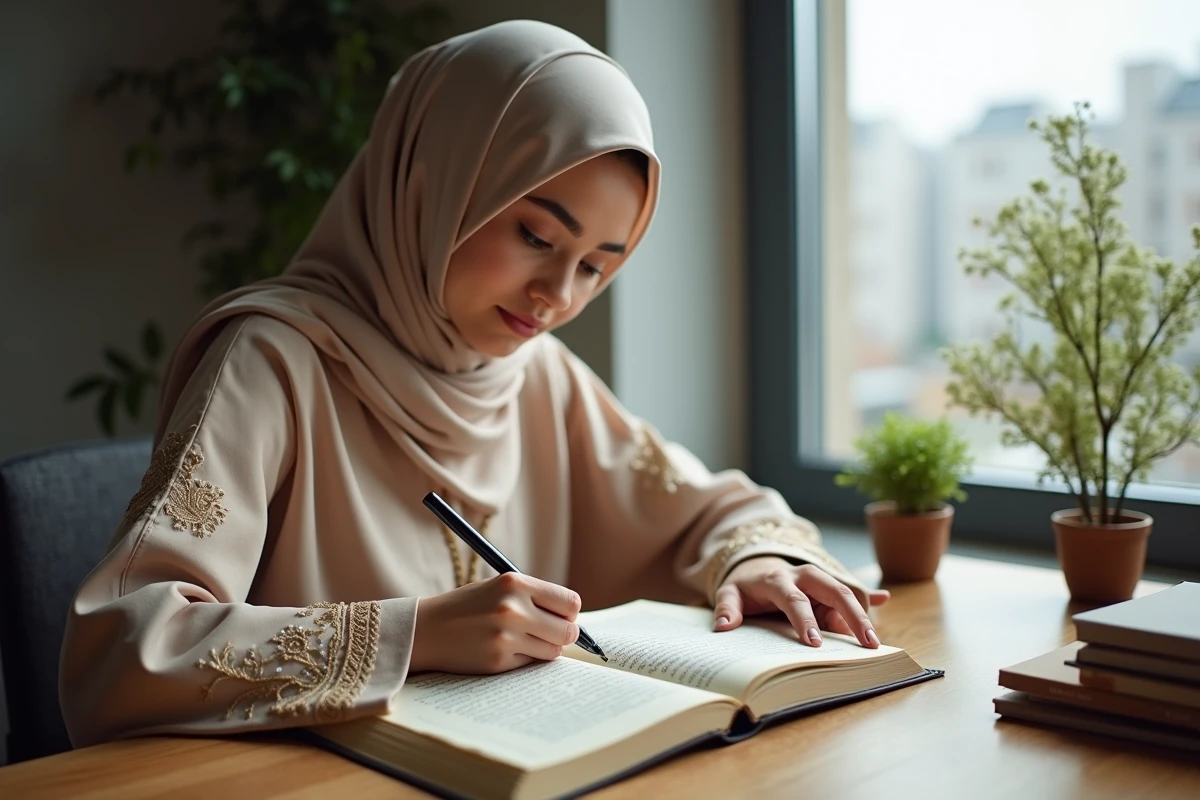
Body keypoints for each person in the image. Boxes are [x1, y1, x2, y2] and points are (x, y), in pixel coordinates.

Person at [59, 19, 888, 748]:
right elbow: (122, 650)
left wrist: (757, 560)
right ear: (434, 181)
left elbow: (711, 510)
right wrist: (413, 634)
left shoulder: (532, 377)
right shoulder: (274, 361)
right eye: (535, 234)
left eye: (598, 266)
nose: (558, 296)